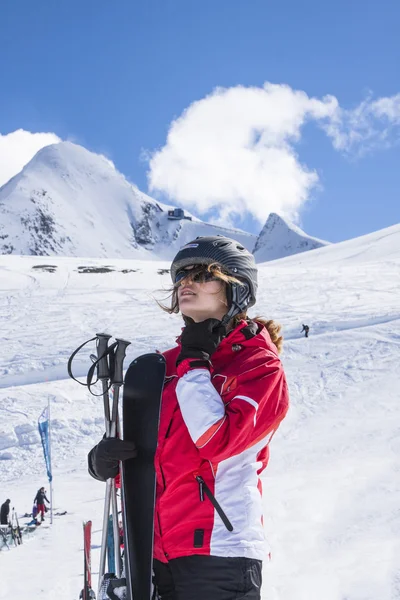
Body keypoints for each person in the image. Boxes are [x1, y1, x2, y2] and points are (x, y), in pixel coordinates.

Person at [88, 236, 290, 600]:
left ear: (236, 289)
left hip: (220, 553)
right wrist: (107, 462)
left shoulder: (259, 367)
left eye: (202, 275)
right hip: (153, 552)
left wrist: (195, 363)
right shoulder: (161, 368)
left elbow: (217, 442)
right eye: (181, 275)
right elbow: (154, 461)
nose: (186, 283)